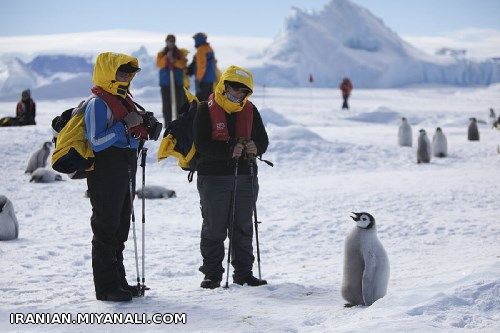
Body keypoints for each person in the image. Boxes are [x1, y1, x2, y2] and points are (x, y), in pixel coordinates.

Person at [193, 65, 269, 289]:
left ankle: (244, 273)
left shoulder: (251, 110)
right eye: (235, 89)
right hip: (213, 177)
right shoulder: (204, 109)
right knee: (214, 227)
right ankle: (212, 274)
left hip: (246, 175)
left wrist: (257, 147)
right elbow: (201, 144)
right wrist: (228, 149)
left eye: (244, 91)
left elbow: (263, 140)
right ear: (224, 86)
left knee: (243, 226)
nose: (239, 94)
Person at [85, 52, 148, 302]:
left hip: (125, 165)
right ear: (109, 73)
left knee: (121, 226)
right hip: (105, 169)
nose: (128, 77)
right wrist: (124, 127)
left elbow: (130, 133)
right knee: (105, 227)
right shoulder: (97, 103)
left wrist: (144, 128)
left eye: (131, 73)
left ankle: (119, 281)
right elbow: (96, 141)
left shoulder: (125, 100)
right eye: (123, 72)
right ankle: (106, 287)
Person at [157, 34, 187, 123]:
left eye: (172, 41)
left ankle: (179, 123)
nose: (171, 43)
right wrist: (167, 58)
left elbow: (183, 64)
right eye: (169, 41)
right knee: (167, 105)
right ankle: (168, 124)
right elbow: (159, 64)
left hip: (177, 83)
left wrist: (174, 61)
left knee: (179, 104)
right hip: (165, 83)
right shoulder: (161, 53)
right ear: (166, 42)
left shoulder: (180, 53)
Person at [187, 32, 216, 101]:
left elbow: (201, 66)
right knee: (209, 101)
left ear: (198, 40)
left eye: (195, 40)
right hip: (210, 79)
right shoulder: (209, 48)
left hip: (203, 80)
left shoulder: (201, 50)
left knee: (200, 101)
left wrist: (198, 79)